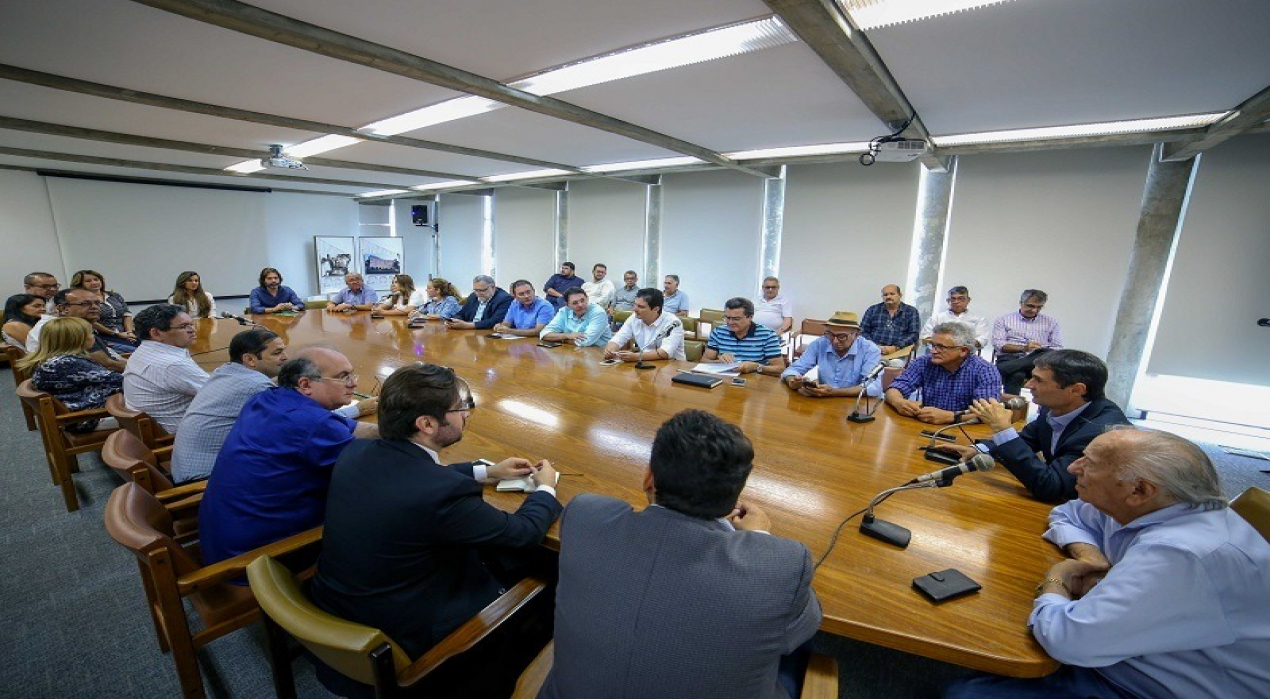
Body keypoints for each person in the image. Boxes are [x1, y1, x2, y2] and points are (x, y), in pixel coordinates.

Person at [944, 428, 1270, 699]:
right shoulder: (1153, 505)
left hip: (1150, 684)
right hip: (1133, 651)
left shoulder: (1182, 555)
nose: (1074, 468)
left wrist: (1057, 580)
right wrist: (1090, 556)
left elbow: (1069, 641)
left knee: (970, 690)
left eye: (1090, 463)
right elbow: (1068, 512)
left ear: (1139, 490)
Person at [309, 363, 561, 697]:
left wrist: (486, 473)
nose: (466, 415)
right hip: (409, 633)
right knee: (549, 569)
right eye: (461, 408)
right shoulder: (440, 494)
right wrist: (545, 488)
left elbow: (415, 475)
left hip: (343, 608)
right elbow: (523, 533)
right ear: (427, 423)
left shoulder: (358, 451)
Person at [540, 409, 821, 699]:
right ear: (734, 499)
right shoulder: (781, 565)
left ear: (649, 478)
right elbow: (805, 626)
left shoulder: (585, 516)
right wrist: (758, 537)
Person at [197, 348, 379, 569]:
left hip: (223, 541)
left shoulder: (268, 398)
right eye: (343, 377)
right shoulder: (312, 424)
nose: (353, 384)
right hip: (257, 563)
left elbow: (349, 429)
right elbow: (376, 476)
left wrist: (397, 427)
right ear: (305, 384)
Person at [934, 350, 1130, 502]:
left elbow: (1051, 487)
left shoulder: (1101, 433)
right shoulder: (1055, 407)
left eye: (1038, 380)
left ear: (1076, 389)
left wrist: (1002, 429)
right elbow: (1027, 440)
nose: (1028, 385)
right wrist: (980, 449)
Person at [885, 321, 1002, 424]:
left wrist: (952, 417)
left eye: (941, 347)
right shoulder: (924, 362)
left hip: (965, 430)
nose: (933, 351)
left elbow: (989, 413)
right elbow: (895, 388)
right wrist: (898, 402)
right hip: (926, 424)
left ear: (963, 350)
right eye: (933, 345)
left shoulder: (985, 370)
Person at [19, 317, 121, 432]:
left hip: (78, 412)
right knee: (138, 409)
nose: (93, 337)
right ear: (78, 339)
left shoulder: (53, 361)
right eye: (90, 333)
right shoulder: (67, 364)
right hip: (89, 418)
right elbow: (120, 381)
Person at [122, 304, 209, 434]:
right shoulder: (172, 365)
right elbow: (222, 394)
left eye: (192, 324)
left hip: (157, 426)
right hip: (182, 435)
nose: (192, 330)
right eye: (184, 326)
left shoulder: (143, 351)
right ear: (156, 333)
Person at [781, 311, 882, 398]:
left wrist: (835, 392)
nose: (835, 341)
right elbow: (793, 369)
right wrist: (793, 382)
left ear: (856, 335)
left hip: (856, 403)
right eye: (830, 334)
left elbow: (873, 387)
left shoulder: (870, 350)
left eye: (842, 336)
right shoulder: (820, 343)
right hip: (824, 402)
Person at [27, 289, 127, 372]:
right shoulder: (61, 328)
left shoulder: (75, 323)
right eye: (85, 304)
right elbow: (108, 365)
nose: (95, 307)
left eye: (97, 303)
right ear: (62, 308)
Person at [993, 289, 1063, 394]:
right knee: (1017, 375)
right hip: (1009, 358)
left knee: (1045, 353)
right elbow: (999, 344)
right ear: (1021, 303)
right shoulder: (1003, 320)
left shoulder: (1051, 322)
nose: (1034, 310)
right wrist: (1023, 348)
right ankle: (1012, 404)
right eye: (1030, 306)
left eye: (1039, 307)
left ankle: (998, 370)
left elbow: (1057, 348)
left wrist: (1038, 351)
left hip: (1038, 362)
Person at [703, 297, 787, 377]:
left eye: (736, 319)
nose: (730, 322)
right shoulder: (718, 332)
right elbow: (704, 361)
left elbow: (780, 369)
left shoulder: (767, 335)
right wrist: (720, 362)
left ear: (750, 317)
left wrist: (757, 367)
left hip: (756, 381)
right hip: (726, 379)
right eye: (727, 318)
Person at [604, 288, 686, 362]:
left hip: (672, 366)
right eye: (635, 304)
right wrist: (611, 349)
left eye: (640, 307)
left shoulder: (673, 323)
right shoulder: (634, 317)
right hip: (645, 363)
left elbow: (665, 352)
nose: (634, 309)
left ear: (656, 309)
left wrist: (637, 357)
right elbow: (619, 337)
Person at [70, 269, 137, 353]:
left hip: (125, 333)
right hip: (104, 336)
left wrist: (129, 332)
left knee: (144, 347)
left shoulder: (114, 295)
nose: (94, 282)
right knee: (134, 351)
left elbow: (126, 314)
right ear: (80, 285)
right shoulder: (81, 301)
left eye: (96, 279)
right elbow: (90, 322)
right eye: (88, 281)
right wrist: (116, 334)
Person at [860, 284, 920, 361]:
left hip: (899, 351)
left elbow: (914, 334)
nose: (888, 297)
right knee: (866, 365)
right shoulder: (873, 310)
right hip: (873, 350)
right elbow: (862, 331)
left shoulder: (911, 311)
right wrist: (874, 346)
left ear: (900, 295)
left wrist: (896, 347)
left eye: (892, 294)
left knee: (896, 364)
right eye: (885, 295)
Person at [920, 285, 989, 351]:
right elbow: (925, 338)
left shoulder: (979, 320)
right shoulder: (936, 318)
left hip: (967, 354)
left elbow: (982, 340)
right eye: (953, 299)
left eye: (961, 299)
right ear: (948, 301)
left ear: (968, 300)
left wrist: (959, 345)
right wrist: (945, 344)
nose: (956, 302)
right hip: (938, 353)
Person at [541, 287, 613, 347]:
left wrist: (560, 338)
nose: (580, 305)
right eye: (575, 303)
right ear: (567, 305)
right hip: (572, 350)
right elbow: (544, 334)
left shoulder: (598, 312)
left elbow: (585, 342)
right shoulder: (564, 311)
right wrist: (567, 336)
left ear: (587, 298)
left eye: (582, 300)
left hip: (598, 352)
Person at [446, 275, 512, 330]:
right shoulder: (473, 296)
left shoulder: (505, 299)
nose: (478, 294)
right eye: (475, 290)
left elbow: (495, 321)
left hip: (487, 332)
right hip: (470, 332)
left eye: (481, 290)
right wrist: (454, 321)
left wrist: (467, 325)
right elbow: (462, 313)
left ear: (493, 287)